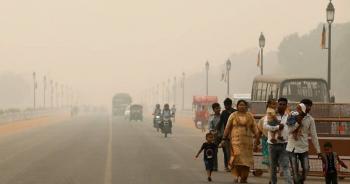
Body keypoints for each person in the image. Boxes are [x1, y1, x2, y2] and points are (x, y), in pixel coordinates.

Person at [221, 100, 258, 183]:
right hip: (235, 142)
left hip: (247, 143)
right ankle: (236, 176)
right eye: (240, 105)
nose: (241, 106)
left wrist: (257, 137)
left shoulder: (250, 116)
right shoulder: (233, 115)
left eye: (243, 105)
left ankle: (244, 177)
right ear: (237, 106)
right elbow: (227, 128)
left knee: (246, 161)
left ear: (246, 106)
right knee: (236, 159)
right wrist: (224, 138)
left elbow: (255, 128)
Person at [286, 99, 321, 184]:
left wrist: (318, 150)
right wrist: (298, 122)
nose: (308, 108)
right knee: (294, 170)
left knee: (306, 168)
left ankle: (300, 181)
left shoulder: (310, 119)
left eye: (309, 106)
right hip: (292, 147)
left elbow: (314, 135)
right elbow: (289, 131)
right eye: (306, 105)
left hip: (303, 147)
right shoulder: (292, 115)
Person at [261, 98, 293, 184]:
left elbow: (292, 127)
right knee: (273, 167)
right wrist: (277, 127)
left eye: (283, 104)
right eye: (280, 104)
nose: (281, 106)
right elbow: (265, 126)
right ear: (277, 104)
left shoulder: (289, 115)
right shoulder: (271, 114)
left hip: (284, 144)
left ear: (286, 106)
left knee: (286, 166)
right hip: (272, 145)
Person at [216, 98, 236, 172]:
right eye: (225, 105)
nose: (225, 106)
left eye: (227, 105)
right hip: (227, 135)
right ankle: (229, 165)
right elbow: (221, 122)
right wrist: (217, 130)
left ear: (230, 105)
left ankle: (233, 165)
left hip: (235, 134)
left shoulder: (235, 112)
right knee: (227, 152)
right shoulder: (224, 112)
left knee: (234, 151)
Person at [208, 102, 221, 171]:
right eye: (217, 108)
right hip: (215, 136)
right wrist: (213, 132)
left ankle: (227, 166)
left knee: (227, 152)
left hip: (224, 136)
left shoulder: (223, 116)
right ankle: (215, 166)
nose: (218, 109)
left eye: (219, 108)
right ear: (214, 109)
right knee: (215, 152)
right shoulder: (211, 117)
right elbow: (210, 128)